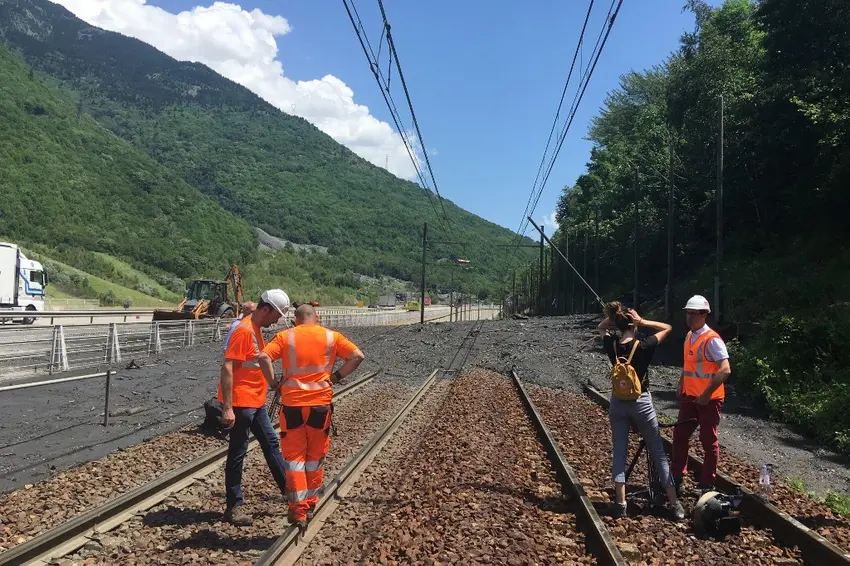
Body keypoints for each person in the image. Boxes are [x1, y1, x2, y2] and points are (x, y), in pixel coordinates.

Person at [258, 303, 365, 529]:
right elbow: (357, 356)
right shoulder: (331, 336)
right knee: (314, 458)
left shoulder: (285, 336)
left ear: (296, 319)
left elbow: (264, 357)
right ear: (316, 317)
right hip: (320, 406)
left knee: (295, 459)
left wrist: (274, 384)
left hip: (293, 407)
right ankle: (311, 503)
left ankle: (298, 510)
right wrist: (335, 377)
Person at [598, 301, 685, 520]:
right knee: (658, 451)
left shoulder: (612, 345)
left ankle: (620, 503)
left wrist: (615, 317)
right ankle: (674, 504)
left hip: (618, 401)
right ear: (634, 325)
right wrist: (643, 321)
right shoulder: (644, 345)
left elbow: (601, 327)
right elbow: (667, 328)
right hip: (641, 401)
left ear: (618, 325)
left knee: (620, 451)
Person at [218, 290, 291, 525]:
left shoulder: (255, 329)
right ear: (265, 309)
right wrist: (227, 408)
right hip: (241, 403)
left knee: (271, 443)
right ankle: (233, 507)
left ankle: (291, 493)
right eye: (276, 315)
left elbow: (257, 363)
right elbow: (227, 367)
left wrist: (272, 384)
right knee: (238, 453)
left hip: (255, 401)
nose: (276, 321)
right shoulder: (244, 331)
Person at [671, 295, 732, 493]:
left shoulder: (712, 340)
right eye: (688, 313)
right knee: (680, 435)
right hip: (690, 397)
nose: (689, 317)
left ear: (705, 314)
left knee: (708, 441)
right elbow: (689, 364)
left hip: (709, 400)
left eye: (694, 314)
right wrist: (682, 382)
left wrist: (706, 394)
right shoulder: (690, 335)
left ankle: (707, 483)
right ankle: (677, 475)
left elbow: (725, 370)